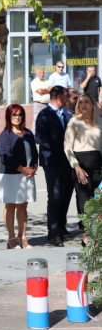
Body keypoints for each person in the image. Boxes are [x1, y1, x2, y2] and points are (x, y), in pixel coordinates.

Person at [35, 86, 74, 247]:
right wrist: (60, 146)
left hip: (67, 161)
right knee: (55, 196)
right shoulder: (44, 114)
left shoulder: (66, 113)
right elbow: (40, 138)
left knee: (66, 194)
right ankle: (53, 232)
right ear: (58, 97)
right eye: (66, 96)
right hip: (52, 161)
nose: (68, 99)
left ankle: (61, 225)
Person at [0, 104, 38, 250]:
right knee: (11, 205)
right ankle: (12, 239)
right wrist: (22, 169)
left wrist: (34, 166)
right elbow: (4, 156)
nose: (17, 117)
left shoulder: (27, 133)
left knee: (23, 205)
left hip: (26, 174)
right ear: (9, 117)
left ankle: (23, 237)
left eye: (19, 114)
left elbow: (34, 151)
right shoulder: (5, 135)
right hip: (11, 174)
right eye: (14, 115)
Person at [64, 93, 102, 247]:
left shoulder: (99, 121)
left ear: (93, 104)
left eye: (87, 102)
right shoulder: (74, 122)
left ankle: (97, 234)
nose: (84, 104)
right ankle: (86, 234)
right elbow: (67, 147)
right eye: (81, 102)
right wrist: (76, 166)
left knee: (98, 202)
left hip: (97, 165)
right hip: (81, 166)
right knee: (85, 201)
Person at [30, 68, 51, 134]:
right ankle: (33, 136)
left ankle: (44, 135)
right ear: (37, 74)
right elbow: (39, 91)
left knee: (47, 120)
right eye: (40, 73)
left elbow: (51, 89)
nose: (42, 75)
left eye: (43, 73)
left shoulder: (47, 81)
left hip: (47, 104)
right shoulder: (34, 82)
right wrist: (46, 90)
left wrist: (43, 89)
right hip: (38, 104)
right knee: (36, 120)